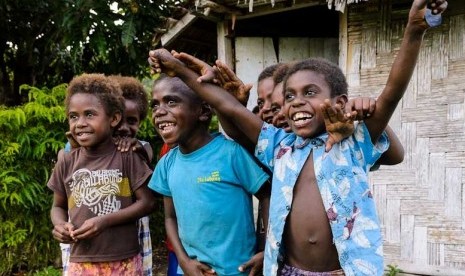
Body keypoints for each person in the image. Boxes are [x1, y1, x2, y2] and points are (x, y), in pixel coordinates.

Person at [147, 0, 448, 274]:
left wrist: (414, 30)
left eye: (310, 92)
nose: (297, 102)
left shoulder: (353, 144)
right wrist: (180, 71)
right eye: (290, 96)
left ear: (341, 103)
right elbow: (227, 106)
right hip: (288, 270)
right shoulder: (280, 146)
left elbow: (392, 93)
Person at [148, 74, 271, 275]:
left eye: (171, 102)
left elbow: (267, 195)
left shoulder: (230, 153)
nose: (159, 112)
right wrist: (183, 261)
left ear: (203, 111)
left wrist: (267, 248)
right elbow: (170, 217)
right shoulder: (166, 164)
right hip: (191, 270)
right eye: (155, 105)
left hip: (238, 270)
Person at [48, 73, 155, 275]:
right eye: (73, 116)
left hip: (124, 260)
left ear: (112, 118)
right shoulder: (67, 159)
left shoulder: (128, 154)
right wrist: (60, 224)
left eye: (89, 114)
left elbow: (149, 202)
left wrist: (104, 221)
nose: (80, 123)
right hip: (80, 261)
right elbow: (57, 206)